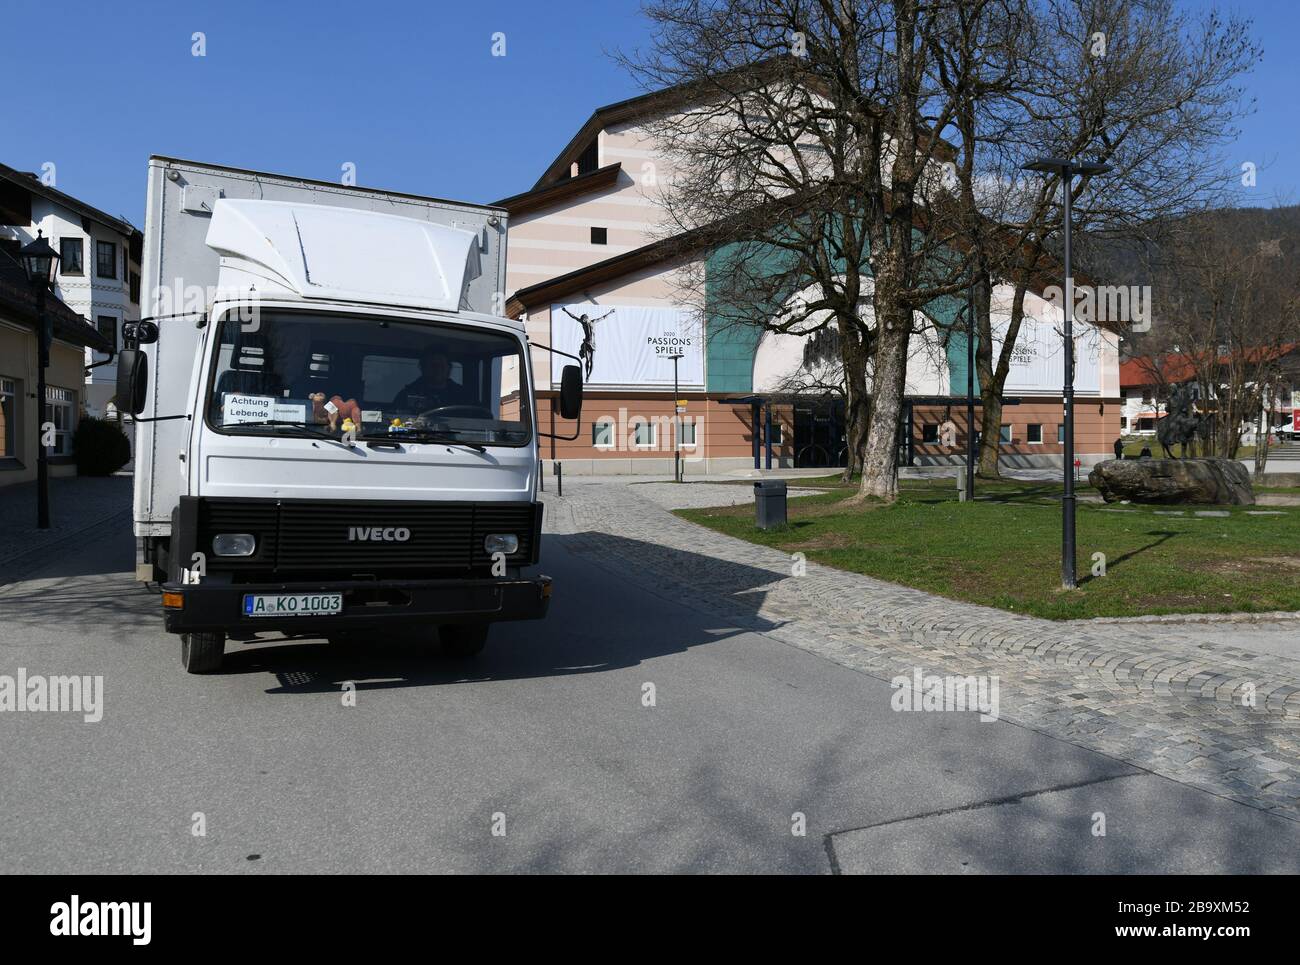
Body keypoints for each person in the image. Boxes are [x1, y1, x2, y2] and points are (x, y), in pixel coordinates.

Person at [395, 347, 463, 411]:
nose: (437, 369)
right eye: (433, 365)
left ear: (449, 368)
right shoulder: (408, 393)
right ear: (423, 367)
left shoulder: (461, 394)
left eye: (442, 365)